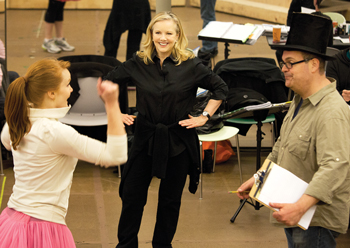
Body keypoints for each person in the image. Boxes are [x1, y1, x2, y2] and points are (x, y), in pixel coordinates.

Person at [103, 11, 228, 248]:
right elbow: (108, 81)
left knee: (170, 200)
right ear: (151, 34)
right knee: (131, 195)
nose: (163, 38)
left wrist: (204, 116)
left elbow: (220, 88)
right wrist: (115, 112)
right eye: (158, 32)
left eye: (168, 33)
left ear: (177, 35)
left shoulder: (191, 64)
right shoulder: (139, 62)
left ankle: (162, 245)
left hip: (177, 139)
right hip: (145, 137)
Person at [237, 12, 350, 248]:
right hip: (296, 214)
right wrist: (258, 179)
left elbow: (336, 166)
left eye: (290, 63)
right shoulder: (300, 100)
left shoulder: (331, 112)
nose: (284, 69)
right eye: (282, 63)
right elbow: (281, 147)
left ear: (314, 64)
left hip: (314, 221)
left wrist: (300, 207)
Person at [0, 58, 128, 247]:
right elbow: (116, 156)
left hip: (13, 221)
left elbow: (6, 142)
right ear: (51, 93)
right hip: (42, 228)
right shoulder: (54, 132)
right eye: (67, 85)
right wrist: (111, 104)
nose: (71, 90)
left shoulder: (18, 119)